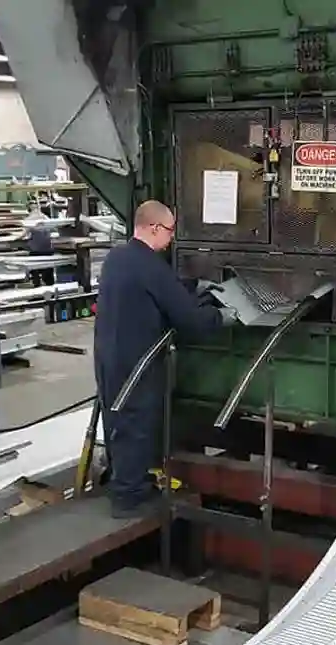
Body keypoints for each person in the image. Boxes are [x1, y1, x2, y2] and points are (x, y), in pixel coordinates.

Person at [93, 200, 229, 517]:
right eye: (169, 231)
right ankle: (129, 498)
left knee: (117, 419)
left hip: (109, 355)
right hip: (138, 362)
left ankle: (125, 482)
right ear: (154, 228)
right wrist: (221, 317)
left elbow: (158, 289)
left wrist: (193, 286)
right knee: (137, 422)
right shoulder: (150, 266)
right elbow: (190, 321)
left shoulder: (119, 257)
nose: (171, 238)